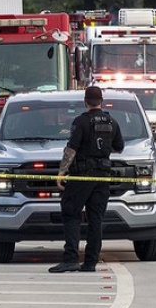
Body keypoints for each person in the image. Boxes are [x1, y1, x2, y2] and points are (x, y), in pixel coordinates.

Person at [50, 85, 124, 273]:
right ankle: (91, 262)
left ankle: (71, 258)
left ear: (85, 101)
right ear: (101, 101)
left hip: (82, 175)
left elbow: (71, 149)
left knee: (71, 212)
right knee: (96, 219)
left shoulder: (81, 122)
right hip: (103, 176)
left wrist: (61, 172)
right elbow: (119, 146)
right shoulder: (111, 122)